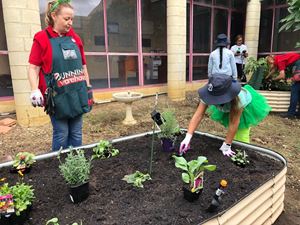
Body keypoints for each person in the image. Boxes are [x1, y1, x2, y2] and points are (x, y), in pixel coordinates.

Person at [28, 0, 93, 151]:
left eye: (72, 19)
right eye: (66, 18)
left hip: (77, 93)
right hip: (57, 97)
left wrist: (88, 88)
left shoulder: (75, 39)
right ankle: (59, 167)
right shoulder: (42, 38)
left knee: (76, 134)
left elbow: (83, 66)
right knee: (61, 134)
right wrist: (34, 89)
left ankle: (76, 165)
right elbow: (33, 68)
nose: (70, 22)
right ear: (54, 16)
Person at [179, 75, 271, 156]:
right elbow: (198, 115)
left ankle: (243, 154)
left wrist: (226, 145)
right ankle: (232, 142)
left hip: (245, 108)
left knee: (241, 134)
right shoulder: (209, 92)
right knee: (232, 134)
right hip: (227, 105)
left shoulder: (239, 99)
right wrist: (188, 137)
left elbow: (234, 122)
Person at [266, 53, 300, 119]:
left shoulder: (279, 61)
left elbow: (282, 76)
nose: (270, 66)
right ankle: (298, 114)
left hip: (298, 67)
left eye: (269, 64)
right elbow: (274, 69)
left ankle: (290, 114)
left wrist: (273, 79)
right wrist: (267, 76)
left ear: (271, 60)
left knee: (295, 89)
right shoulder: (279, 58)